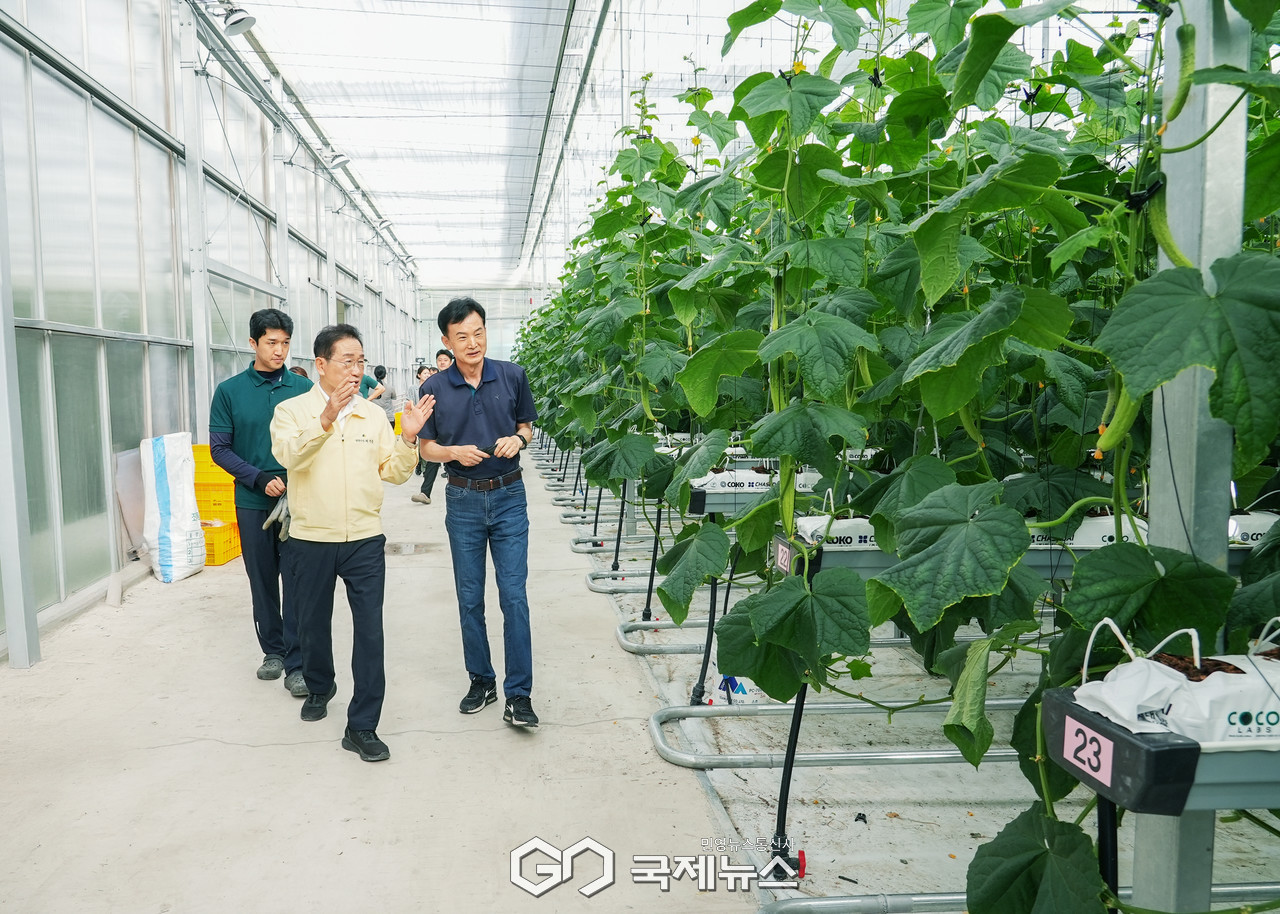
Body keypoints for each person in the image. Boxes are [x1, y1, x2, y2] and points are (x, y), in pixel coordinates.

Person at [271, 324, 434, 762]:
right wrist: (325, 420)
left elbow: (395, 473)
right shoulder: (290, 411)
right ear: (320, 365)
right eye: (348, 361)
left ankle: (362, 725)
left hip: (364, 537)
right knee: (312, 623)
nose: (356, 369)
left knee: (370, 632)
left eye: (360, 361)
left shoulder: (372, 414)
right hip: (311, 537)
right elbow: (288, 457)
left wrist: (408, 438)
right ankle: (320, 687)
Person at [417, 297, 540, 728]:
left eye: (478, 332)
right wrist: (452, 452)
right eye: (462, 336)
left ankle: (519, 695)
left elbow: (527, 424)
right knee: (470, 599)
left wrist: (518, 441)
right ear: (447, 341)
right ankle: (481, 680)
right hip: (463, 499)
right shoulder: (433, 389)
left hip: (509, 497)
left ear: (486, 331)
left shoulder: (512, 375)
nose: (473, 343)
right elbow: (425, 446)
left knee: (514, 597)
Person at [208, 308, 313, 697]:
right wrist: (258, 478)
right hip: (253, 500)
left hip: (299, 499)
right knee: (263, 578)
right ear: (253, 343)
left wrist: (290, 480)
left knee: (298, 580)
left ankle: (298, 662)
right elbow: (220, 449)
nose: (280, 350)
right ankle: (274, 651)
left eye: (285, 343)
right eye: (271, 343)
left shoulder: (304, 391)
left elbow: (317, 441)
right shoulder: (230, 391)